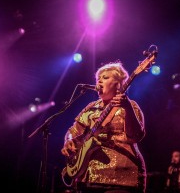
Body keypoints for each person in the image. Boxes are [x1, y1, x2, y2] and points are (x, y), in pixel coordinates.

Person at [61, 62, 147, 193]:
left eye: (105, 77)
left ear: (119, 84)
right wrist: (68, 141)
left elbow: (136, 136)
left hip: (121, 178)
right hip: (88, 177)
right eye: (98, 78)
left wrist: (127, 108)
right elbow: (73, 131)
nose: (99, 80)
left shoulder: (131, 106)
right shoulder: (91, 108)